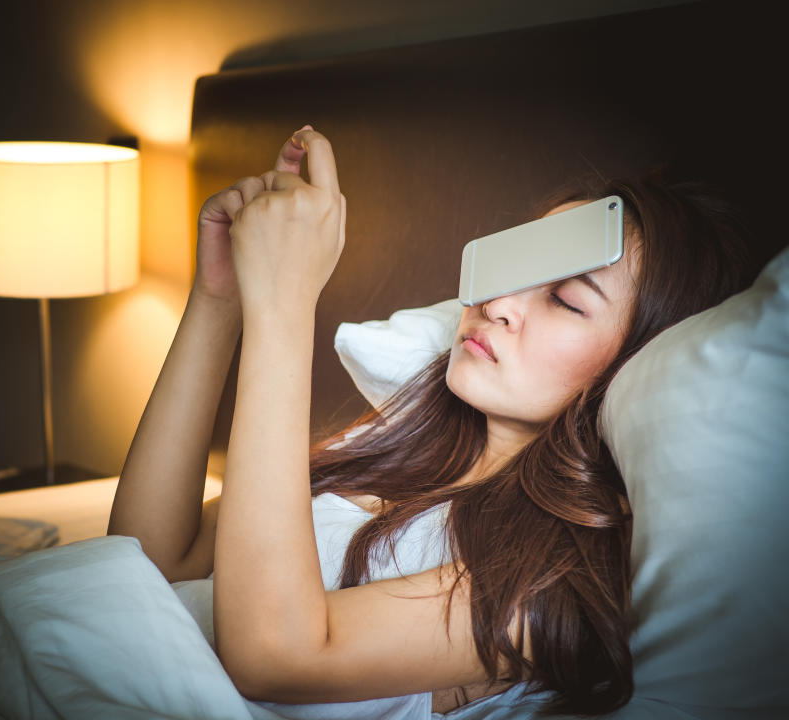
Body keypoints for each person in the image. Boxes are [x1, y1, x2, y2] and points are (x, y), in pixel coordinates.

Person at [107, 125, 754, 716]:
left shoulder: (562, 575)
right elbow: (149, 564)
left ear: (639, 365)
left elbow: (277, 658)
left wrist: (284, 299)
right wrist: (220, 296)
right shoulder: (395, 444)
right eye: (512, 271)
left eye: (564, 299)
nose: (495, 301)